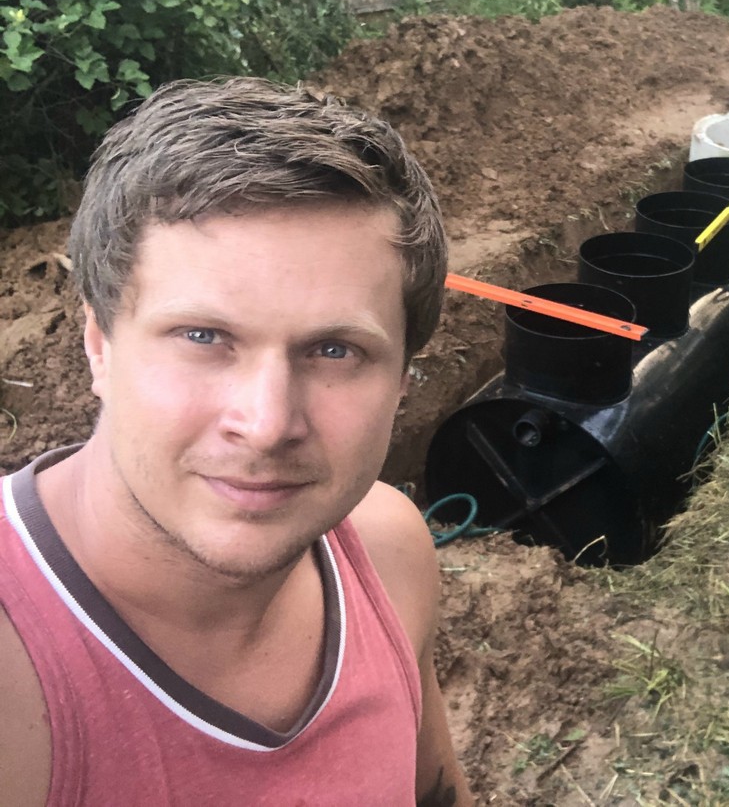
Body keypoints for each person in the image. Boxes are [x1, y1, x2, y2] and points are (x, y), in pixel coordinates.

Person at [0, 77, 474, 805]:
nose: (267, 423)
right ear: (99, 343)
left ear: (403, 378)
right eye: (202, 336)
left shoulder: (388, 555)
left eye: (336, 351)